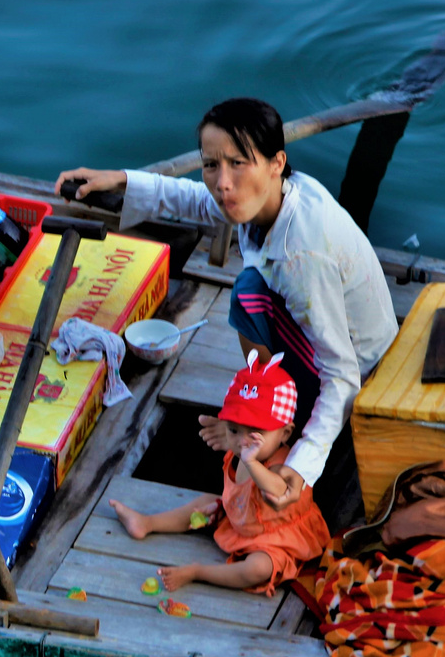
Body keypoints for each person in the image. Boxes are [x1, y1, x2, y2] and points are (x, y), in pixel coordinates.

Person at [55, 97, 396, 526]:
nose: (222, 182)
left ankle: (278, 430)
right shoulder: (281, 193)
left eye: (239, 164)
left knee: (247, 293)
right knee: (249, 289)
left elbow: (342, 374)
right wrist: (122, 181)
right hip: (320, 333)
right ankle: (267, 402)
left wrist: (302, 467)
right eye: (211, 165)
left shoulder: (301, 253)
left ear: (277, 163)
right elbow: (198, 202)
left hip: (361, 370)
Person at [110, 351, 331, 594]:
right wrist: (223, 507)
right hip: (242, 521)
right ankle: (147, 522)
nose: (242, 442)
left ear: (285, 434)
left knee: (258, 568)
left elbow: (279, 489)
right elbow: (239, 495)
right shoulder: (238, 454)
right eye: (234, 430)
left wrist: (252, 463)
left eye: (255, 433)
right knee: (205, 503)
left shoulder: (283, 464)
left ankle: (197, 572)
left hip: (276, 538)